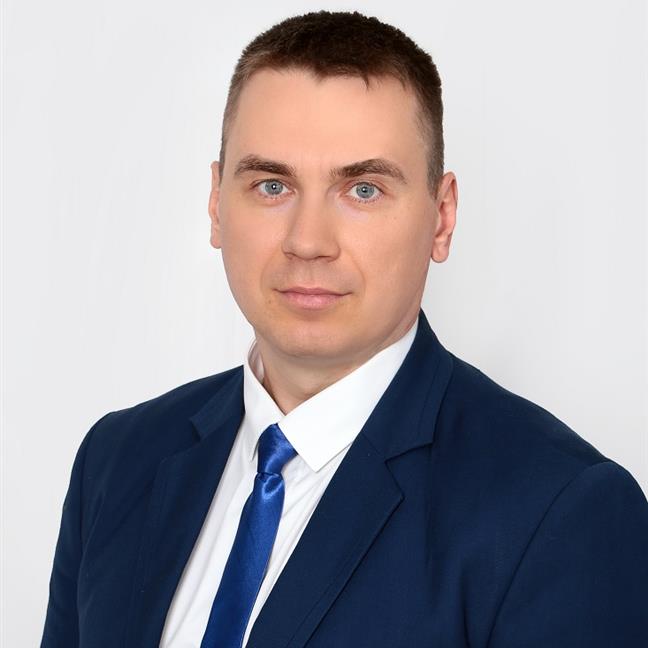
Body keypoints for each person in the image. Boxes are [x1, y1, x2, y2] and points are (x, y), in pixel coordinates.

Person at [40, 10, 648, 648]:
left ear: (441, 218)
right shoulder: (117, 461)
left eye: (362, 190)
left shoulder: (561, 514)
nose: (308, 241)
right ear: (217, 203)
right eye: (271, 185)